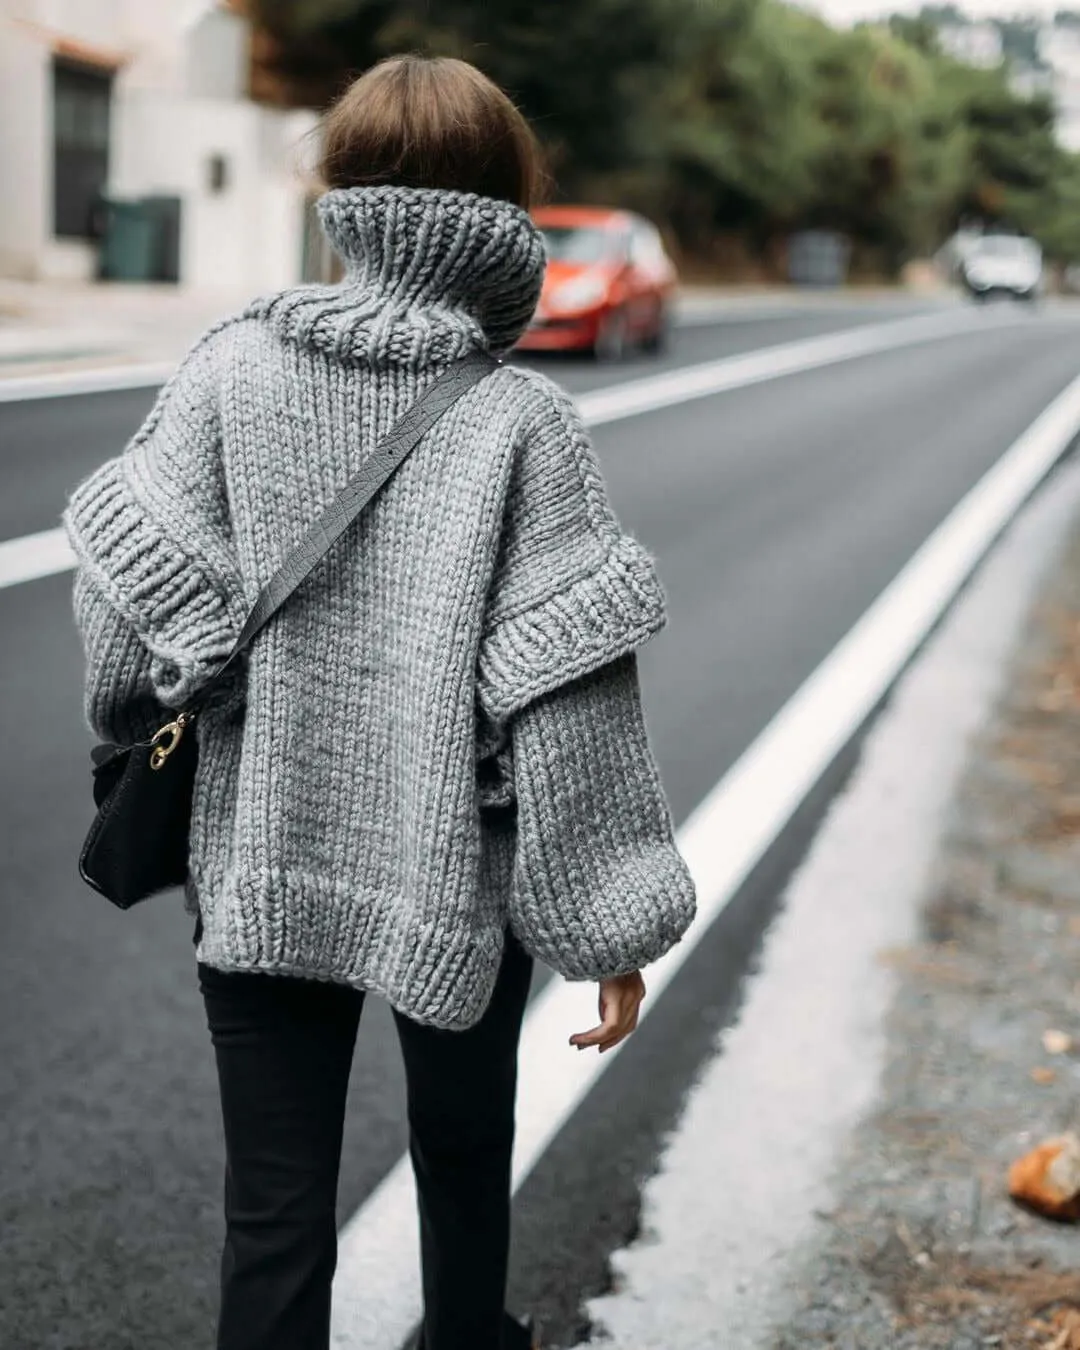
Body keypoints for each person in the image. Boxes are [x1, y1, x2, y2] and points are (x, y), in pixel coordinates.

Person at [62, 54, 696, 1350]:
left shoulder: (230, 369)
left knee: (275, 1203)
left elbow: (123, 605)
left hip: (263, 844)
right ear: (508, 206)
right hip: (455, 872)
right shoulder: (523, 422)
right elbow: (569, 694)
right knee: (463, 1163)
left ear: (341, 192)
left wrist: (140, 717)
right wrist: (609, 920)